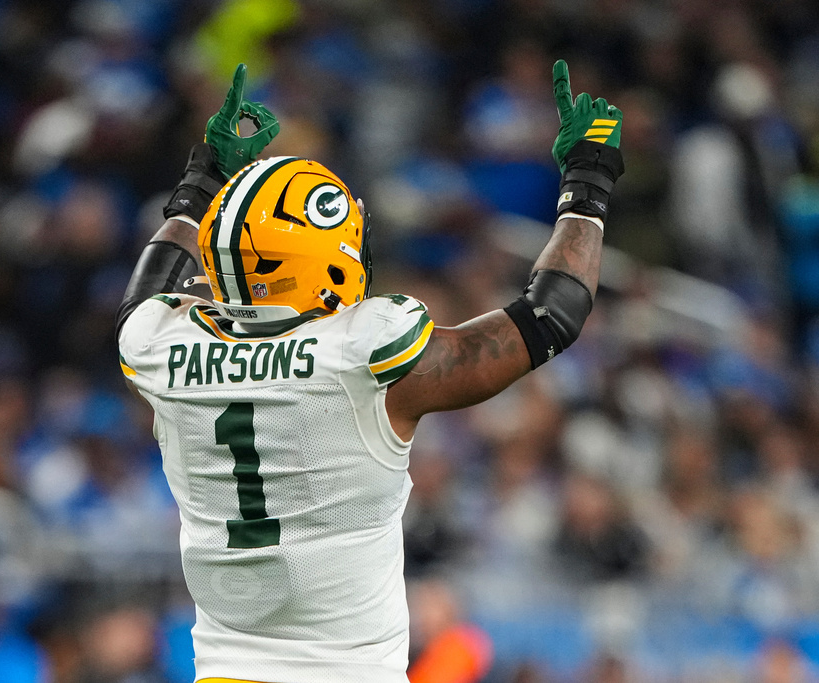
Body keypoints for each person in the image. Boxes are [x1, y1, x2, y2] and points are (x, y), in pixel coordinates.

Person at [116, 61, 623, 683]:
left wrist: (200, 184)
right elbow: (551, 313)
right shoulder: (359, 357)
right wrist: (588, 181)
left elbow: (145, 295)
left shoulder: (162, 347)